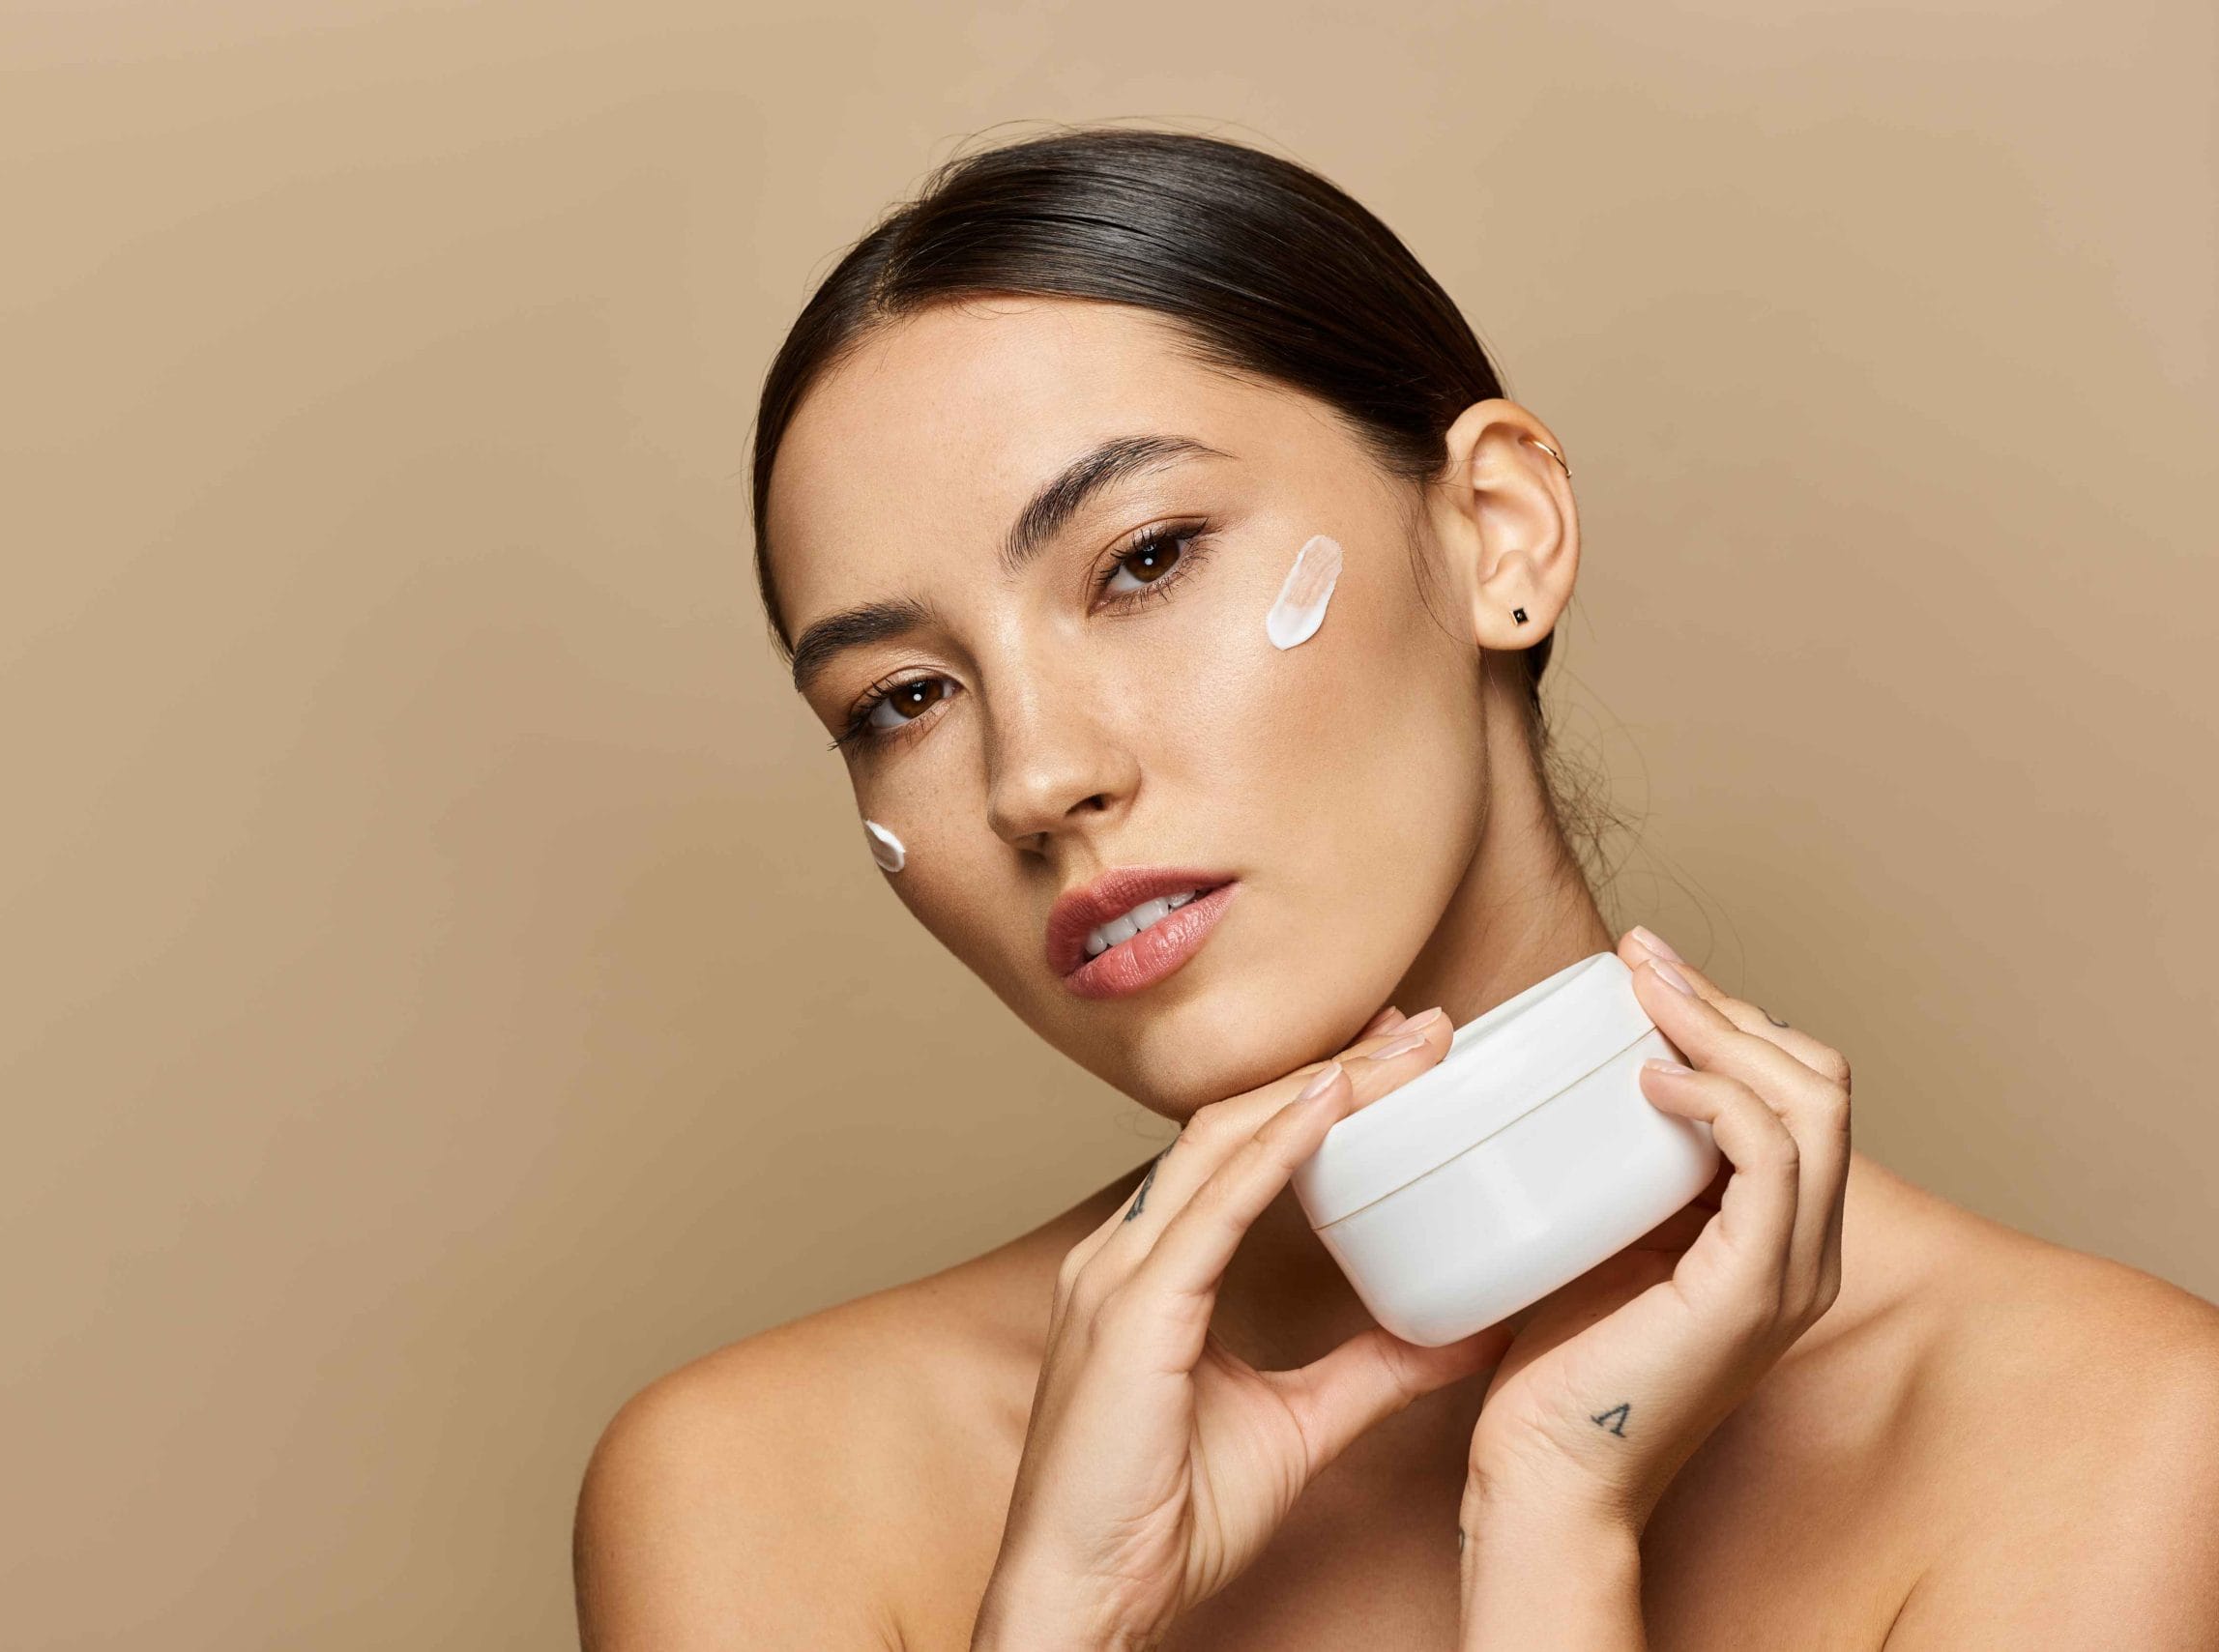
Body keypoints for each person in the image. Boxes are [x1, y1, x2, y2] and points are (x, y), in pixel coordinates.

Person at [573, 127, 2219, 1648]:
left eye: (1142, 559)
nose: (1033, 777)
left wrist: (1556, 1520)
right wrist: (1062, 1611)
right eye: (902, 700)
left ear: (1501, 531)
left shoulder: (2102, 1436)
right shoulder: (763, 1486)